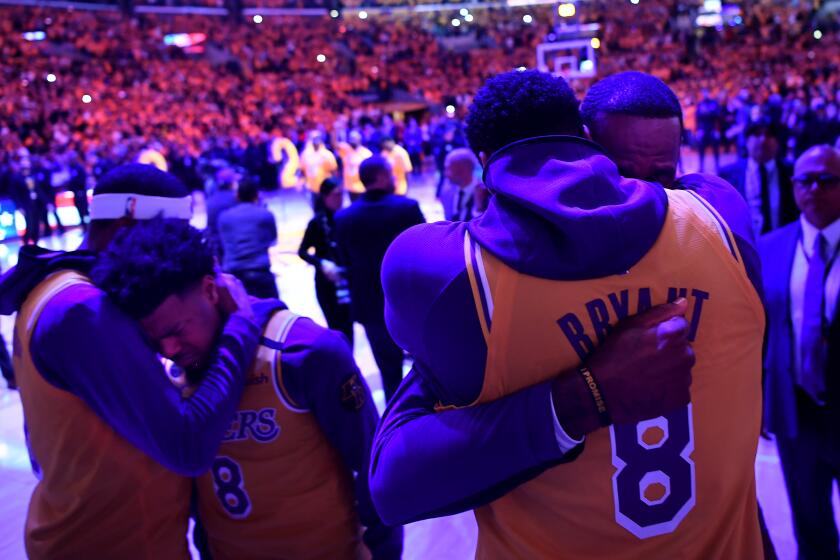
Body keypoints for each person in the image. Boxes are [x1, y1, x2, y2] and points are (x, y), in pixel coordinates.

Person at [372, 70, 765, 557]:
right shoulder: (721, 215)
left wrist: (582, 398)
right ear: (582, 144)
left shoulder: (453, 273)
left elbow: (392, 484)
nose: (637, 187)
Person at [92, 217, 403, 560]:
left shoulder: (304, 352)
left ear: (211, 290)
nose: (168, 349)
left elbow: (378, 475)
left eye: (176, 329)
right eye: (153, 339)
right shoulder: (168, 373)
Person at [0, 163, 267, 559]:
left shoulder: (54, 289)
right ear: (129, 219)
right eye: (169, 233)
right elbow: (187, 446)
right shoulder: (83, 310)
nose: (170, 249)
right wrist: (241, 326)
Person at [760, 145, 840, 560]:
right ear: (793, 187)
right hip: (797, 410)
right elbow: (758, 332)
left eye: (828, 180)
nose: (815, 189)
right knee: (809, 522)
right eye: (805, 180)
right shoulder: (770, 247)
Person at [334, 156, 425, 401]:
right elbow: (425, 253)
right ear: (382, 176)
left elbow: (344, 262)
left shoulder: (343, 218)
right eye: (392, 173)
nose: (396, 177)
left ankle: (397, 427)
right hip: (410, 302)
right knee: (428, 367)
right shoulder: (407, 208)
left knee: (388, 373)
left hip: (370, 304)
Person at [298, 177, 354, 344]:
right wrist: (321, 263)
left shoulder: (347, 218)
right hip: (326, 282)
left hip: (347, 279)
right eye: (335, 195)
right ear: (325, 197)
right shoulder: (316, 223)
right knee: (335, 327)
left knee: (348, 326)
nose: (340, 199)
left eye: (341, 195)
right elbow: (302, 251)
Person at [720, 119, 798, 235]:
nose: (763, 140)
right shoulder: (727, 175)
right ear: (746, 141)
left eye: (769, 135)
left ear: (777, 142)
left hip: (782, 244)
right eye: (757, 135)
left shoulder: (793, 172)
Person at [218, 179, 279, 299]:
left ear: (237, 195)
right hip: (260, 272)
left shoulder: (224, 217)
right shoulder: (265, 214)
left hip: (234, 275)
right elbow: (273, 239)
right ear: (257, 194)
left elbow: (223, 243)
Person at [438, 148, 486, 222]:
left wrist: (478, 210)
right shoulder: (447, 193)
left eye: (448, 169)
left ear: (464, 169)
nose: (446, 174)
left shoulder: (485, 193)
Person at [205, 167, 240, 242]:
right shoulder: (237, 198)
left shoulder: (210, 200)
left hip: (216, 242)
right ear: (232, 183)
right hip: (233, 242)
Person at [338, 130, 373, 201]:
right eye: (351, 138)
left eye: (354, 138)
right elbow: (335, 144)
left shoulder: (366, 153)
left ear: (359, 139)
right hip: (349, 186)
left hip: (362, 187)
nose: (352, 141)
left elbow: (371, 171)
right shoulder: (346, 150)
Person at [300, 131, 338, 196]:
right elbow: (302, 170)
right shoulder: (305, 154)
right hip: (311, 188)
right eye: (313, 138)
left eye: (317, 138)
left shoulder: (327, 154)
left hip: (325, 189)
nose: (316, 140)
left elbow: (334, 171)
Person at [696, 89, 722, 173]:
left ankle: (717, 166)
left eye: (706, 92)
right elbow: (698, 118)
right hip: (703, 130)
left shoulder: (714, 103)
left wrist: (717, 130)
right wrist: (698, 130)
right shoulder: (700, 104)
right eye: (704, 93)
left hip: (712, 129)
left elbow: (717, 116)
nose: (705, 94)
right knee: (701, 148)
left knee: (715, 148)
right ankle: (701, 166)